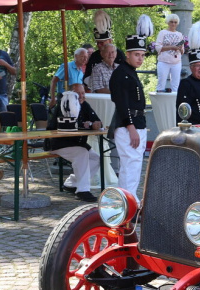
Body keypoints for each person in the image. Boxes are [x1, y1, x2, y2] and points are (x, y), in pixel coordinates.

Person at [109, 17, 151, 202]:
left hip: (137, 123)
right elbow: (122, 103)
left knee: (133, 166)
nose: (140, 59)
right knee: (130, 165)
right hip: (128, 125)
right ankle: (128, 204)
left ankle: (129, 202)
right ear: (127, 54)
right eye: (136, 55)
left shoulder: (130, 72)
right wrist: (131, 127)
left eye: (142, 55)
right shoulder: (121, 74)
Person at [46, 84, 101, 202]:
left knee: (96, 158)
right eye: (79, 93)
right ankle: (82, 191)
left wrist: (96, 123)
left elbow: (96, 120)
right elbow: (68, 125)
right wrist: (88, 125)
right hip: (59, 143)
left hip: (77, 143)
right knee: (82, 154)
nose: (82, 96)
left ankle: (71, 183)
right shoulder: (64, 104)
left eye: (83, 93)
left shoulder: (84, 105)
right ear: (71, 94)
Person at [84, 11, 126, 88]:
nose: (99, 46)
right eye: (97, 43)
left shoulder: (119, 55)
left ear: (110, 41)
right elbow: (87, 76)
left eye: (102, 43)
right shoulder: (94, 56)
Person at [154, 14, 185, 93]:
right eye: (171, 22)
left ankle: (174, 103)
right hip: (163, 61)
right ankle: (160, 102)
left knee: (176, 85)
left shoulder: (180, 34)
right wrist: (171, 47)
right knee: (161, 83)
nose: (173, 24)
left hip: (176, 62)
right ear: (168, 22)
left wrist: (180, 48)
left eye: (175, 22)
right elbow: (158, 47)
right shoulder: (162, 33)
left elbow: (182, 51)